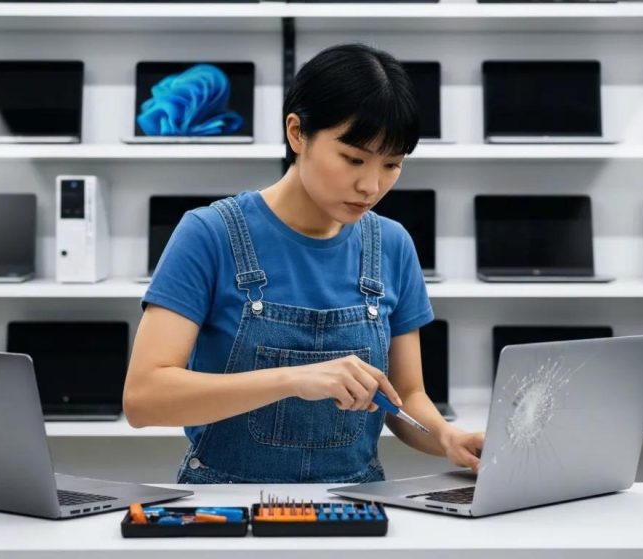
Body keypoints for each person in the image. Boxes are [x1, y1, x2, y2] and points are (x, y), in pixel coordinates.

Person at [124, 43, 485, 484]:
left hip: (356, 507)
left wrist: (446, 437)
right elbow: (144, 399)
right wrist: (292, 380)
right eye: (353, 159)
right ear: (297, 133)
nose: (371, 185)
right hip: (230, 508)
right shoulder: (208, 234)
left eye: (392, 164)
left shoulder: (392, 244)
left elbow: (407, 395)